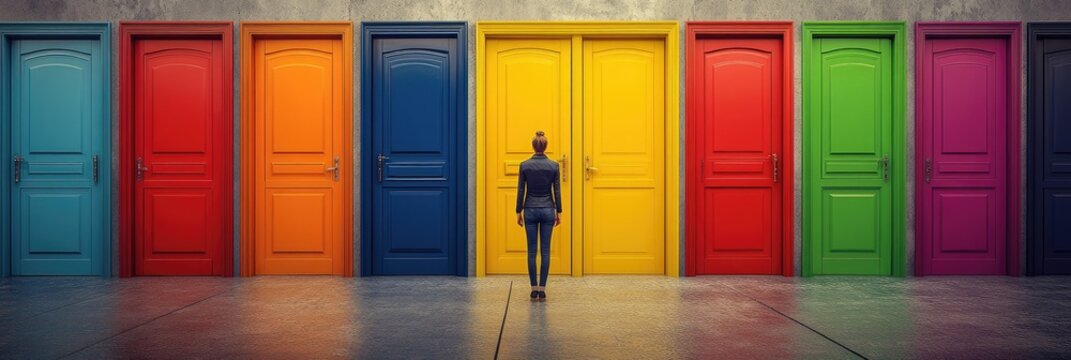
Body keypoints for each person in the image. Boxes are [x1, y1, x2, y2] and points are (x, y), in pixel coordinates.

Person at [516, 130, 562, 302]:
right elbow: (556, 190)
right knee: (545, 250)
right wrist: (559, 211)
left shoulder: (525, 165)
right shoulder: (553, 166)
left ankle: (533, 289)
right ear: (545, 146)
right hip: (548, 209)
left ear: (533, 146)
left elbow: (521, 190)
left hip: (530, 209)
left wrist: (518, 211)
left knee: (531, 250)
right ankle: (543, 289)